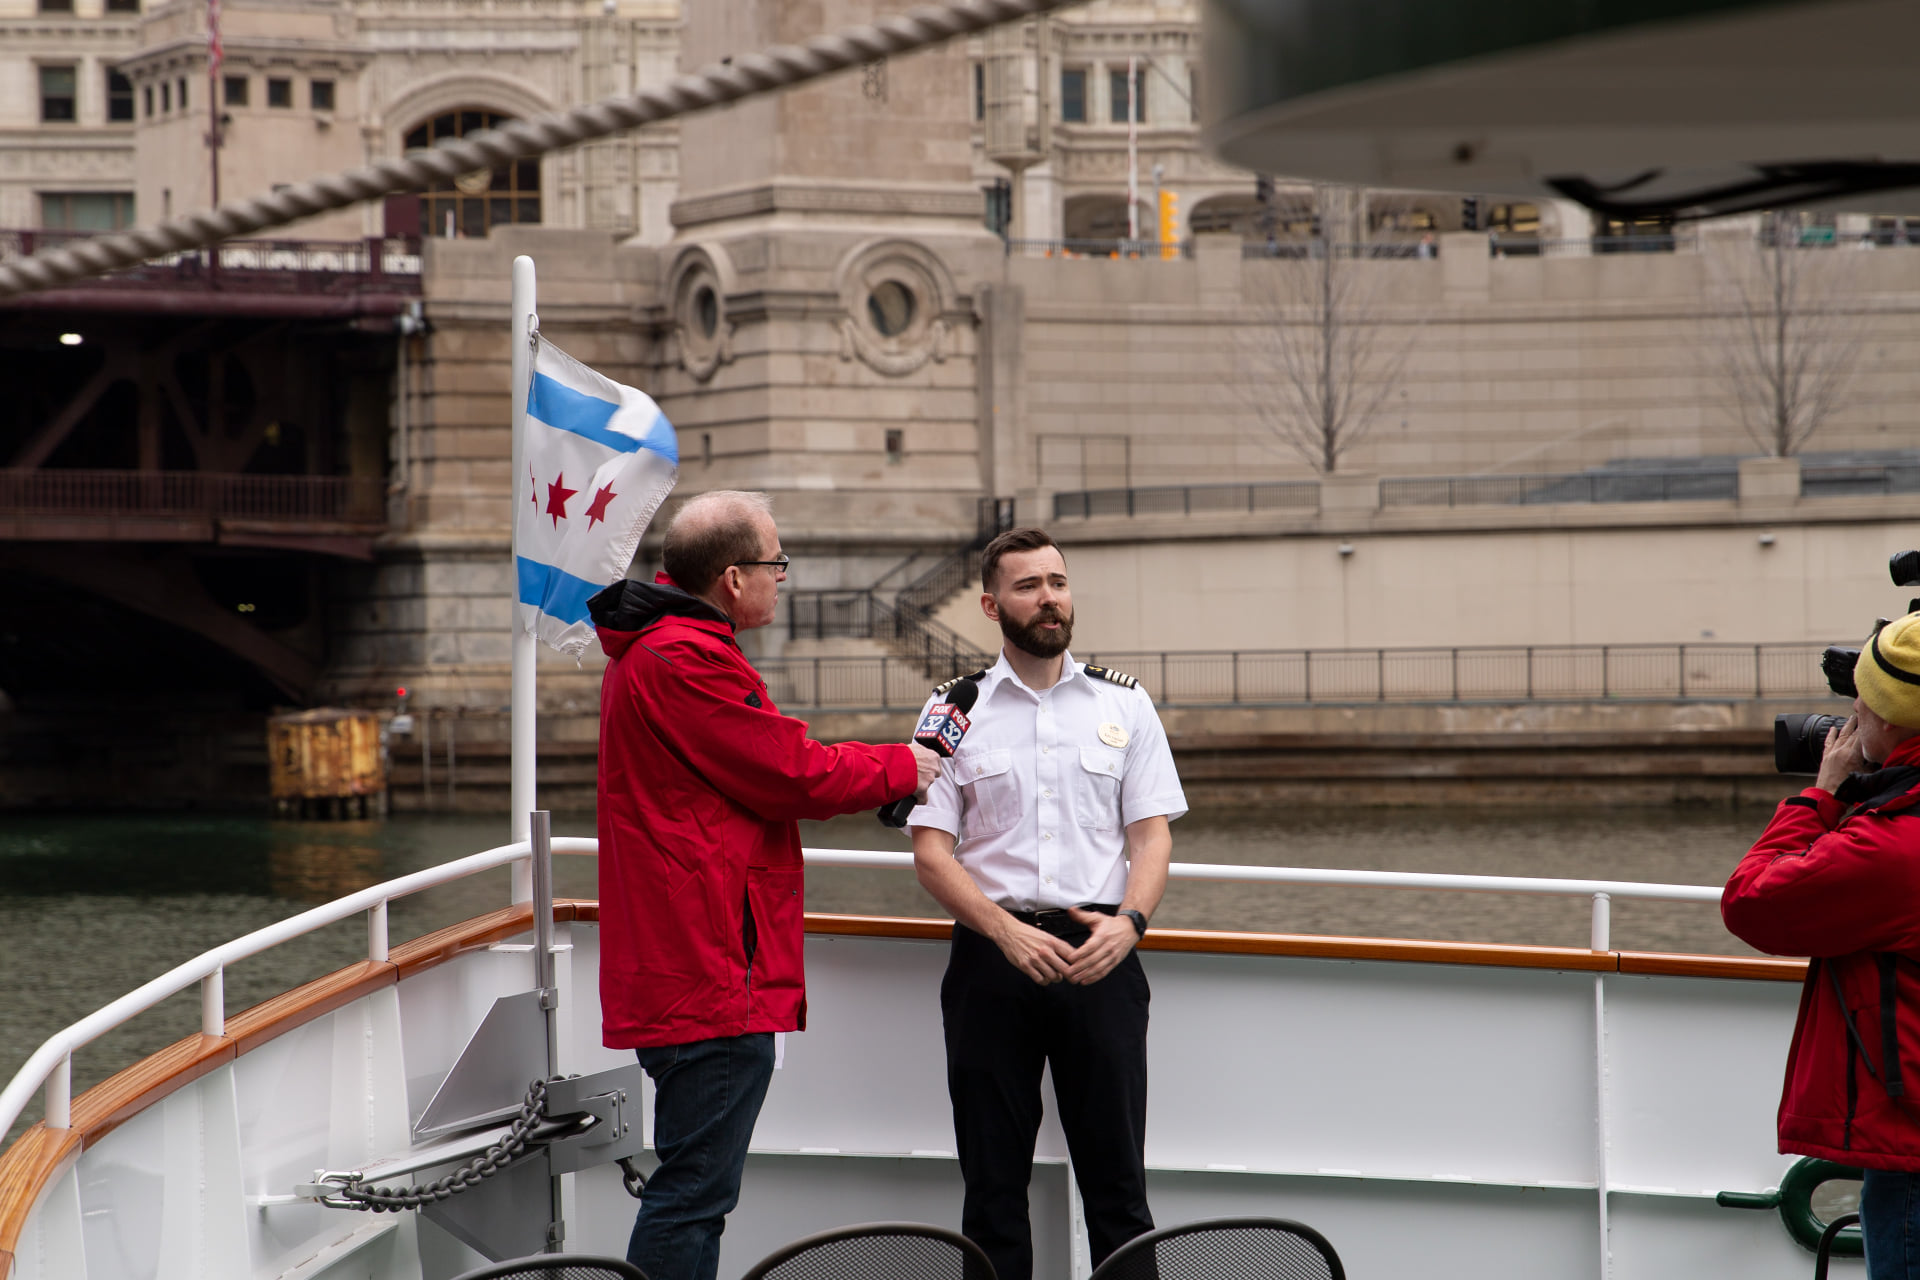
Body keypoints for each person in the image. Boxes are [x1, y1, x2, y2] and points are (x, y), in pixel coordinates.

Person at [587, 489, 941, 1280]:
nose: (784, 577)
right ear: (736, 577)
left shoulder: (661, 647)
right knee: (692, 1197)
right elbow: (789, 771)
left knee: (692, 1191)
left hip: (693, 960)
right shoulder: (683, 657)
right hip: (708, 968)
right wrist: (905, 766)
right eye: (778, 563)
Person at [907, 526, 1187, 1280]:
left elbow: (1151, 837)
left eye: (1057, 582)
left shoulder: (1123, 705)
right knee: (993, 1192)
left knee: (1120, 1192)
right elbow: (930, 852)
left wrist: (1131, 925)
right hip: (993, 961)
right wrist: (1004, 931)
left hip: (1103, 958)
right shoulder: (953, 710)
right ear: (993, 606)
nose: (1049, 598)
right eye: (1029, 586)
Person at [1723, 613, 1920, 1280]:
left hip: (1913, 1155)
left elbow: (1752, 902)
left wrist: (1823, 795)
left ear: (1893, 724)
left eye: (1861, 702)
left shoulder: (1891, 849)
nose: (1851, 714)